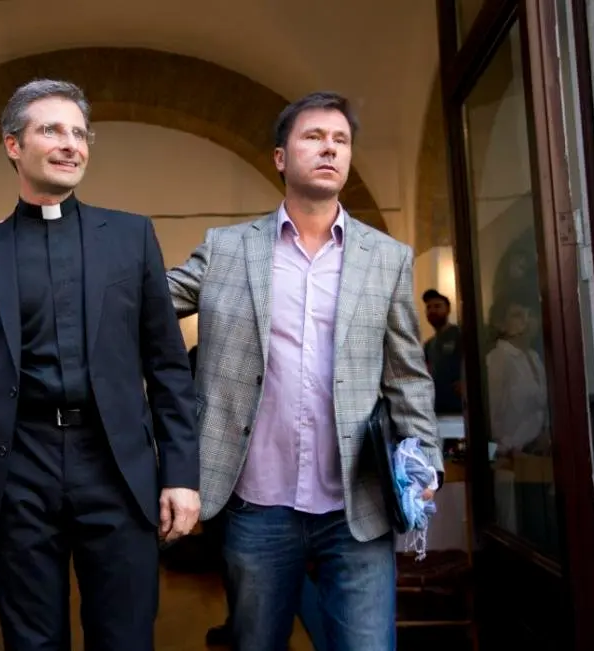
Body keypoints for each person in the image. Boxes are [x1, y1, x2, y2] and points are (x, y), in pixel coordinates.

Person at [0, 79, 200, 651]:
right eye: (51, 130)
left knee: (124, 638)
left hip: (116, 466)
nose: (71, 144)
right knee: (32, 641)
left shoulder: (131, 237)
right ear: (13, 145)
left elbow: (169, 368)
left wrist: (181, 475)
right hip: (18, 468)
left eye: (79, 132)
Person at [166, 91, 442, 650]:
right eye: (313, 137)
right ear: (280, 157)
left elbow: (407, 374)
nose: (329, 149)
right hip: (255, 504)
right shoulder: (226, 250)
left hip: (356, 505)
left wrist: (425, 457)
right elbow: (150, 304)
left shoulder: (386, 258)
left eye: (340, 140)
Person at [421, 289, 464, 414]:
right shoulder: (428, 345)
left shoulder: (460, 334)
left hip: (459, 409)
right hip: (437, 409)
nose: (432, 310)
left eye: (437, 306)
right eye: (428, 307)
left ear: (448, 309)